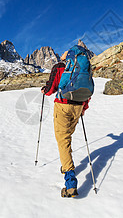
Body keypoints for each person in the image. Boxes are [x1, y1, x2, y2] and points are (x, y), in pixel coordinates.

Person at [41, 50, 90, 198]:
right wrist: (83, 108)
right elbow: (87, 88)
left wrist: (45, 90)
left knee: (63, 140)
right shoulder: (84, 67)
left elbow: (51, 89)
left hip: (63, 106)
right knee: (67, 138)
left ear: (68, 55)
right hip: (78, 106)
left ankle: (70, 183)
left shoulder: (60, 67)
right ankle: (66, 162)